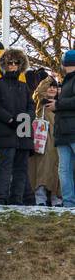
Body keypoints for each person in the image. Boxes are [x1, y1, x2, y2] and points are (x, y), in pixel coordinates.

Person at [0, 49, 33, 205]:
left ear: (21, 65)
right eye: (9, 62)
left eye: (16, 62)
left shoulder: (24, 86)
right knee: (3, 168)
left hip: (23, 133)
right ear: (4, 65)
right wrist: (10, 120)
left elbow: (31, 106)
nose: (13, 65)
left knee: (21, 169)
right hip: (5, 132)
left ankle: (17, 200)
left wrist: (27, 118)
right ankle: (0, 199)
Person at [28, 76, 61, 205]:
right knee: (42, 168)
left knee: (57, 170)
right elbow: (39, 92)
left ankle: (55, 197)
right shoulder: (41, 102)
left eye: (55, 87)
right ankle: (40, 197)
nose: (52, 89)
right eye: (50, 86)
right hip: (43, 141)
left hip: (57, 141)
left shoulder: (60, 104)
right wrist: (49, 79)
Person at [54, 50, 75, 207]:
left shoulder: (71, 81)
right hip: (63, 132)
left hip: (71, 130)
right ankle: (68, 202)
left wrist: (57, 104)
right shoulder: (66, 81)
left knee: (65, 170)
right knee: (64, 170)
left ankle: (69, 201)